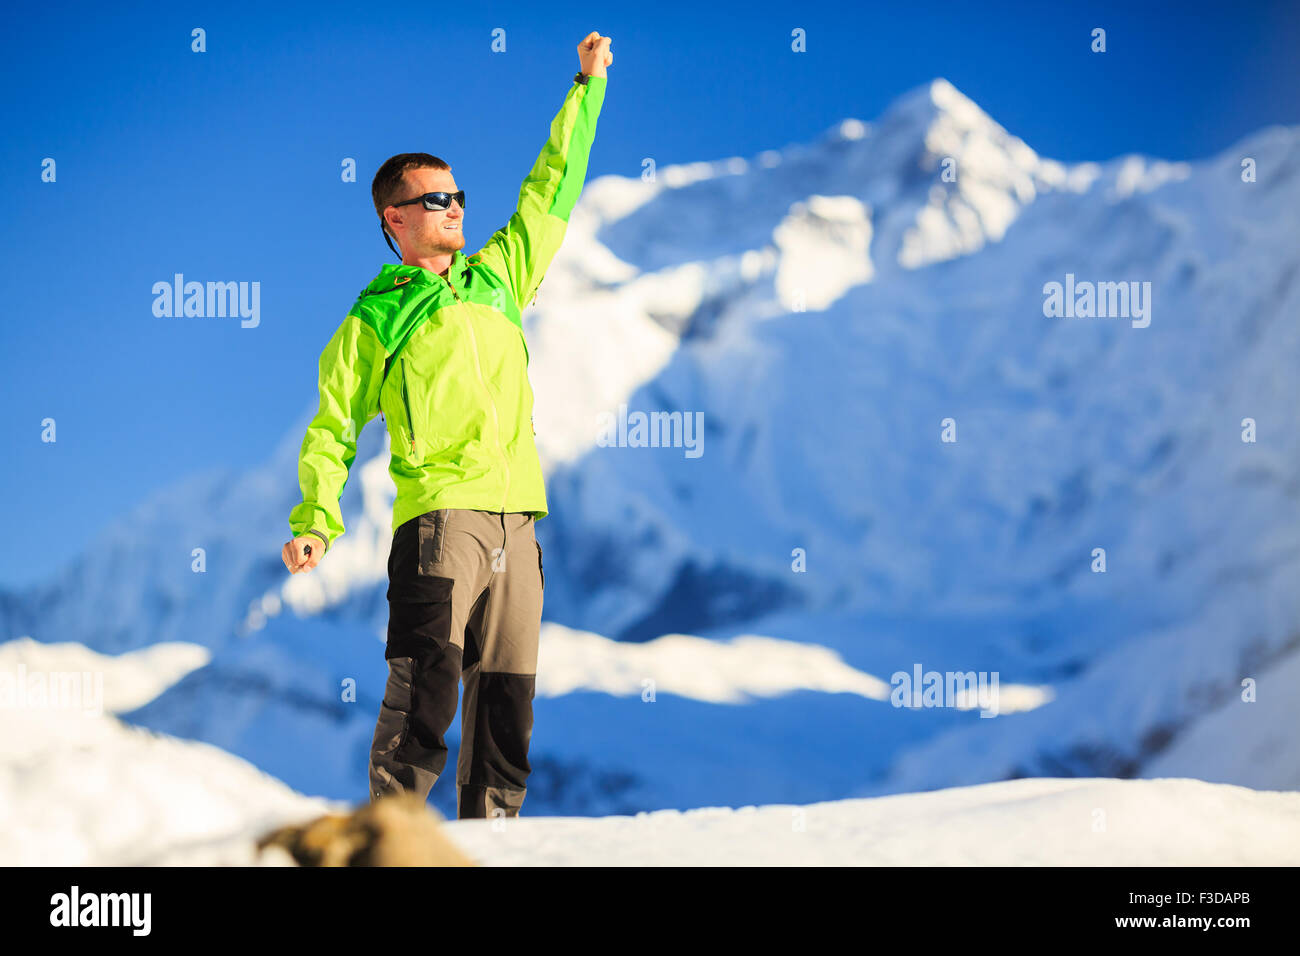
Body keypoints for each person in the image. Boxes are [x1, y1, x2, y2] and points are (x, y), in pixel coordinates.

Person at [280, 32, 612, 819]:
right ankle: (389, 837)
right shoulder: (376, 317)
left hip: (518, 522)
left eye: (460, 196)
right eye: (438, 199)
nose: (457, 207)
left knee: (507, 704)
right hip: (438, 521)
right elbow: (332, 426)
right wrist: (315, 520)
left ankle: (494, 843)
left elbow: (551, 190)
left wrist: (586, 87)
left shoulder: (500, 276)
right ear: (396, 218)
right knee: (426, 684)